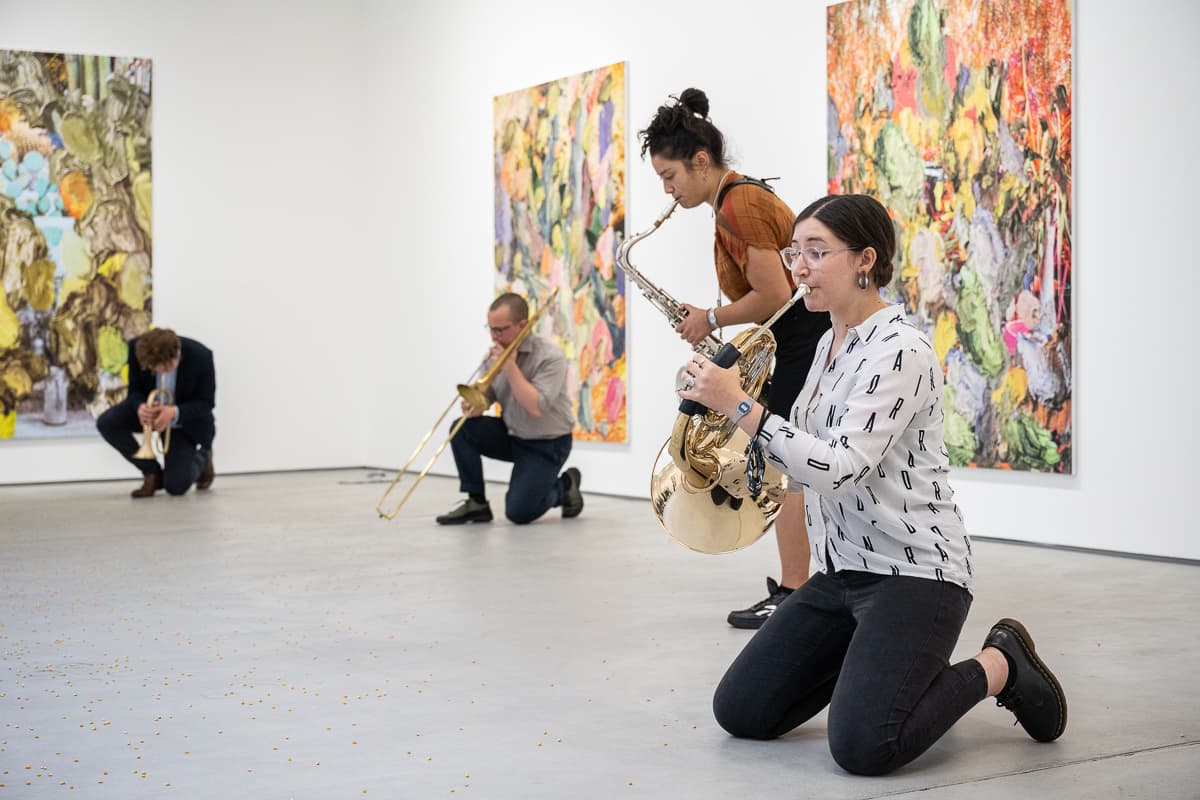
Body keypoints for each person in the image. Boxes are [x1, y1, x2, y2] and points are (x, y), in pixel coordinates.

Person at [675, 194, 1067, 774]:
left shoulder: (900, 350)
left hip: (915, 574)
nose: (797, 268)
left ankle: (999, 664)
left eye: (815, 252)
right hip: (842, 572)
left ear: (865, 259)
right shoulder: (828, 347)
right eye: (794, 253)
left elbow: (838, 467)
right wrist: (716, 410)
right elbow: (795, 459)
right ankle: (877, 664)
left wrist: (737, 405)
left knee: (863, 747)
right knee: (741, 711)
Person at [638, 88, 831, 628]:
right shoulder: (733, 199)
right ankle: (801, 587)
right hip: (799, 337)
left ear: (701, 161)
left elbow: (774, 295)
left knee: (788, 462)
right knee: (788, 459)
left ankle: (795, 592)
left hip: (801, 338)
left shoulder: (738, 203)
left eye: (670, 175)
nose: (668, 189)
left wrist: (711, 319)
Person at [436, 292, 583, 525]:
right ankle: (477, 503)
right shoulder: (494, 355)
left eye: (500, 330)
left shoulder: (551, 357)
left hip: (548, 444)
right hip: (513, 435)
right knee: (461, 428)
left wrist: (510, 368)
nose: (494, 337)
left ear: (522, 325)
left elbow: (536, 407)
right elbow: (490, 395)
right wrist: (476, 407)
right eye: (491, 329)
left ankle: (565, 486)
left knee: (519, 513)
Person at [97, 328, 216, 498]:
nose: (159, 373)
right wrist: (140, 407)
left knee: (176, 487)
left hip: (183, 422)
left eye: (165, 367)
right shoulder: (136, 349)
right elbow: (135, 390)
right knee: (106, 423)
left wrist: (174, 412)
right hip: (152, 413)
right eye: (154, 370)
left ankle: (203, 458)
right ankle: (151, 472)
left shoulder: (201, 356)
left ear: (176, 356)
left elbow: (206, 404)